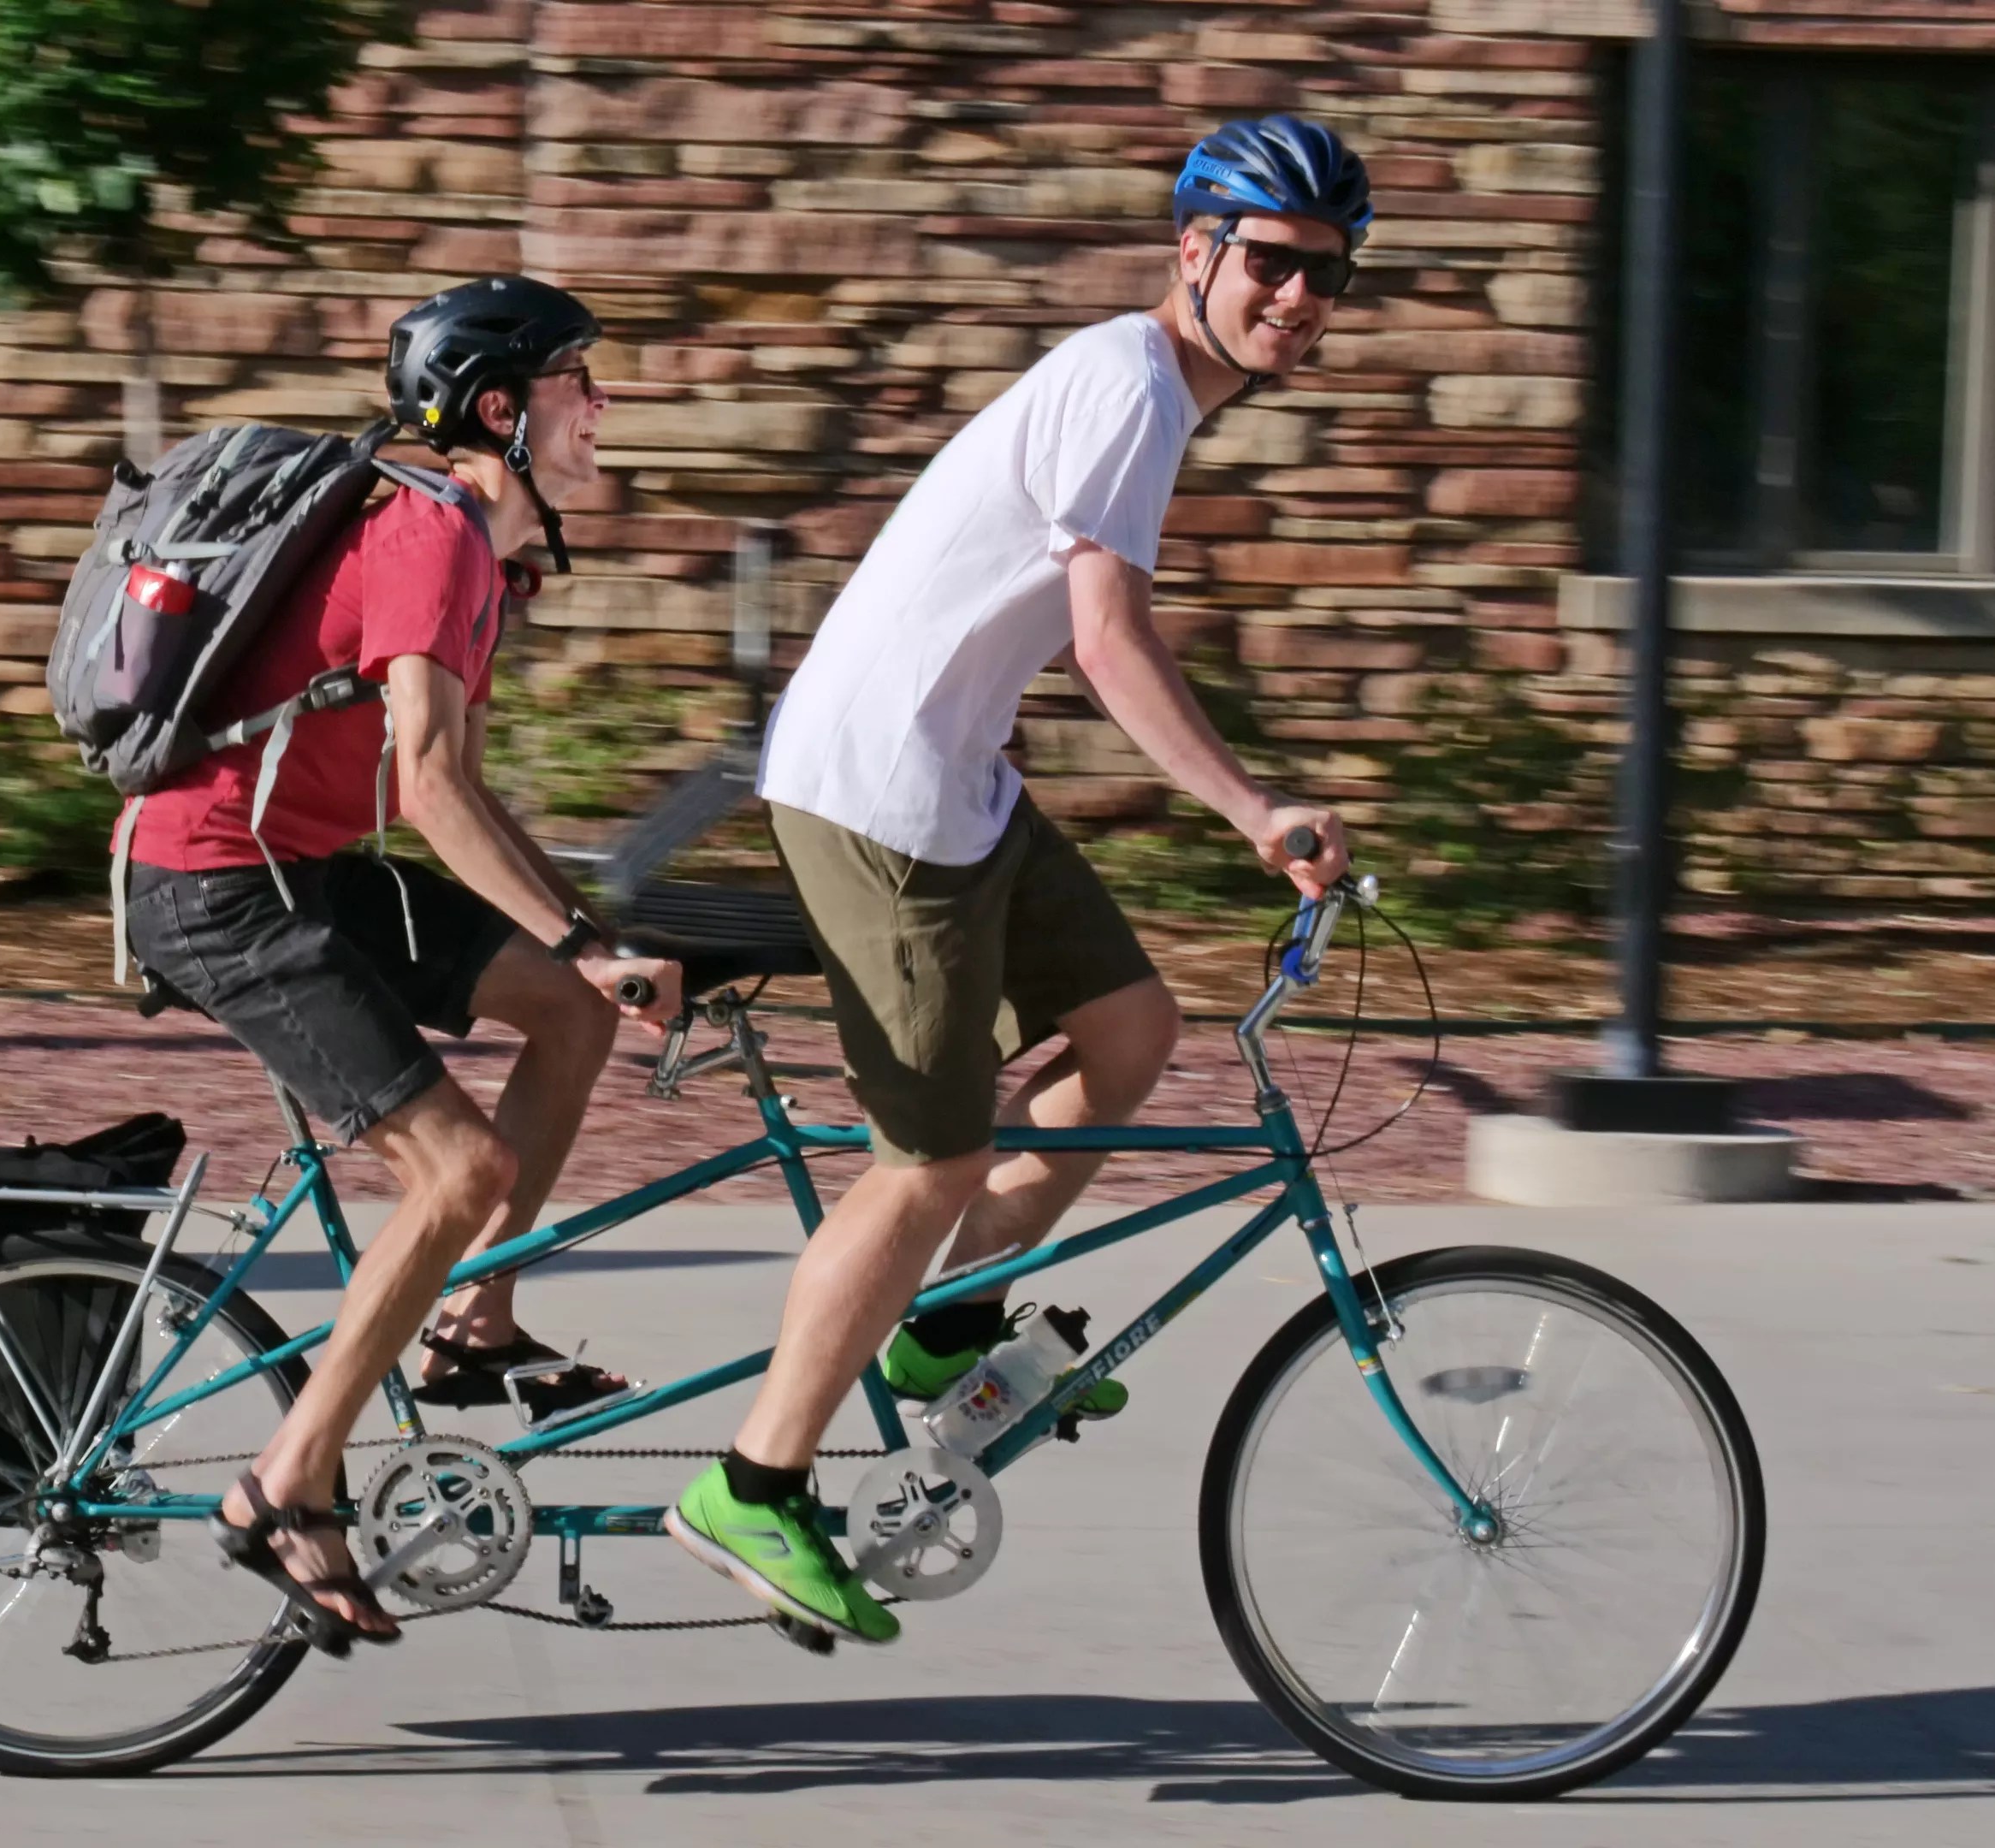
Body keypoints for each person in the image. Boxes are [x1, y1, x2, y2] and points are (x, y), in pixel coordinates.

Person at [666, 116, 1368, 1644]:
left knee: (1126, 1033)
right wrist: (1251, 807)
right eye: (1271, 261)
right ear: (1195, 252)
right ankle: (754, 1481)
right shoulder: (1127, 388)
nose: (1299, 296)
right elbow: (1108, 640)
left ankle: (941, 1328)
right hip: (878, 797)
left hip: (960, 785)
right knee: (923, 1160)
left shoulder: (1149, 392)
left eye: (1326, 273)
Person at [121, 275, 682, 1650]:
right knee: (459, 1167)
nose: (599, 406)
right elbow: (427, 789)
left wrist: (592, 949)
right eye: (576, 382)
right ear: (501, 408)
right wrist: (577, 936)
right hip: (213, 885)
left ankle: (472, 1320)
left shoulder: (475, 559)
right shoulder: (423, 537)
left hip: (296, 868)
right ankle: (283, 1483)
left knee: (566, 1015)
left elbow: (470, 798)